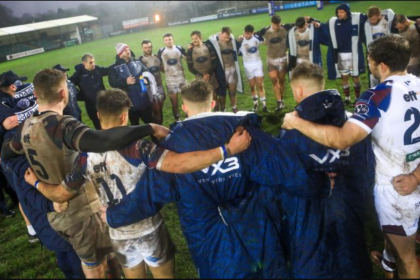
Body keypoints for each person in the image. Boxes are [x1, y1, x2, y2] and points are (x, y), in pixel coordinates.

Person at [102, 80, 331, 278]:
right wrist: (322, 184)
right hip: (255, 228)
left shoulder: (173, 148)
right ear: (213, 103)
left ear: (183, 107)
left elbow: (148, 195)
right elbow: (287, 170)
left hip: (205, 235)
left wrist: (113, 215)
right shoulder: (244, 132)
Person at [1, 68, 171, 279]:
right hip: (80, 212)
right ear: (64, 93)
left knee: (103, 260)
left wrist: (33, 179)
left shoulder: (25, 126)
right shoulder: (62, 125)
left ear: (35, 95)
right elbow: (103, 140)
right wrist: (149, 128)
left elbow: (7, 152)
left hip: (58, 214)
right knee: (96, 266)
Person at [282, 34, 420, 279]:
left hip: (398, 188)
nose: (368, 64)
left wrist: (297, 122)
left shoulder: (376, 96)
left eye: (370, 60)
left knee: (407, 259)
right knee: (398, 244)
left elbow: (342, 139)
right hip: (413, 178)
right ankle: (388, 261)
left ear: (383, 66)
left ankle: (394, 261)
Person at [281, 62, 374, 278]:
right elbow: (368, 171)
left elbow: (287, 182)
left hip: (308, 221)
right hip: (351, 211)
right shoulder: (354, 124)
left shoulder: (290, 130)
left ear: (298, 90)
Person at [0, 70, 39, 242]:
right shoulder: (3, 104)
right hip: (11, 155)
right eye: (18, 84)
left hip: (20, 149)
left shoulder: (9, 100)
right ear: (12, 86)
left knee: (26, 190)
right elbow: (10, 123)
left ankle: (34, 228)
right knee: (24, 192)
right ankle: (32, 229)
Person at [317, 3, 367, 105]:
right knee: (344, 77)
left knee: (355, 76)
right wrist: (316, 23)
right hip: (341, 55)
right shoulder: (334, 22)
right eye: (338, 12)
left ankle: (358, 98)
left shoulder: (356, 19)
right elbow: (323, 26)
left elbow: (368, 17)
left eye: (342, 12)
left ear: (347, 12)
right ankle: (347, 98)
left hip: (354, 55)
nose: (339, 14)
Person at [109, 43, 156, 126]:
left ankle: (155, 139)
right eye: (125, 50)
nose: (128, 51)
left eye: (128, 49)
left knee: (150, 123)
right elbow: (112, 83)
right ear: (120, 54)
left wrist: (146, 79)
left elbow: (147, 73)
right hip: (129, 103)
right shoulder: (114, 68)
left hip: (144, 99)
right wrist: (125, 82)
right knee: (135, 126)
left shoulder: (138, 62)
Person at [256, 15, 294, 111]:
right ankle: (279, 102)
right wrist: (262, 40)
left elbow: (298, 24)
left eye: (278, 25)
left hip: (283, 59)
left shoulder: (286, 27)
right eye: (275, 25)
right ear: (271, 23)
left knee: (281, 80)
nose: (277, 27)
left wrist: (312, 21)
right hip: (271, 60)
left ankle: (281, 100)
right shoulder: (265, 30)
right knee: (274, 80)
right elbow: (255, 34)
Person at [208, 27, 243, 113]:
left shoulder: (232, 41)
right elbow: (202, 44)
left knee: (232, 89)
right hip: (221, 71)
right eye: (224, 37)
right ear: (220, 34)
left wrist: (241, 39)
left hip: (232, 69)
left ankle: (234, 107)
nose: (227, 39)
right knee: (222, 92)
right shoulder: (213, 43)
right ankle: (223, 109)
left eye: (228, 37)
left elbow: (241, 50)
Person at [70, 53, 109, 129]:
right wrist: (81, 95)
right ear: (84, 63)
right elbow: (70, 84)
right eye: (90, 62)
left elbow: (109, 70)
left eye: (94, 61)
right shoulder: (79, 74)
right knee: (99, 129)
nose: (93, 64)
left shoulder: (97, 69)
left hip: (104, 104)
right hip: (92, 107)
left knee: (110, 126)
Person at [186, 30, 220, 112]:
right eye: (193, 39)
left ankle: (216, 113)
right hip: (199, 78)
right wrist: (202, 76)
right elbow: (190, 67)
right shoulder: (190, 51)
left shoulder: (208, 46)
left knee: (213, 96)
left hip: (211, 76)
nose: (194, 40)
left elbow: (215, 62)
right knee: (202, 98)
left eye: (196, 38)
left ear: (200, 38)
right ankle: (207, 114)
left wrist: (208, 74)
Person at [237, 24, 268, 113]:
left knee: (260, 86)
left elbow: (265, 42)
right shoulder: (240, 41)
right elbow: (238, 52)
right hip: (247, 66)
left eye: (249, 34)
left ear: (252, 33)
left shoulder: (257, 38)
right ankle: (255, 104)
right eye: (246, 33)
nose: (247, 35)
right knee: (252, 86)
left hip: (257, 64)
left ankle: (264, 106)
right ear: (244, 32)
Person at [364, 6, 396, 87]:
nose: (371, 21)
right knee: (374, 75)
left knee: (388, 73)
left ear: (379, 15)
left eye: (373, 19)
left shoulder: (388, 20)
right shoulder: (367, 24)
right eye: (370, 19)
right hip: (375, 53)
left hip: (388, 53)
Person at [157, 34, 187, 121]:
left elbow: (188, 58)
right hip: (170, 80)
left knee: (186, 100)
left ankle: (188, 117)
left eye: (170, 39)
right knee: (174, 102)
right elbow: (159, 64)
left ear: (173, 39)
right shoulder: (161, 51)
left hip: (181, 78)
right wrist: (166, 71)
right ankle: (177, 120)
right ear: (164, 41)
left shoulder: (179, 48)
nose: (168, 41)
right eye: (166, 40)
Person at [139, 40, 166, 125]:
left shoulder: (157, 57)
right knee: (156, 110)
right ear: (142, 48)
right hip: (150, 89)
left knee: (160, 109)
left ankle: (159, 127)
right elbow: (140, 76)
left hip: (160, 86)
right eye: (145, 48)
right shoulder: (140, 60)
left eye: (149, 47)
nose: (148, 49)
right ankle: (157, 131)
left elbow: (163, 69)